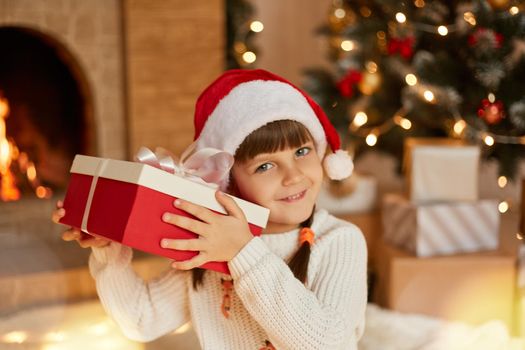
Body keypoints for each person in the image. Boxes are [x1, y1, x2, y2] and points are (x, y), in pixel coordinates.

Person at [52, 69, 368, 349]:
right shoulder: (211, 239)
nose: (294, 175)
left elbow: (326, 344)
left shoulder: (340, 240)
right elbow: (141, 319)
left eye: (302, 151)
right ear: (231, 182)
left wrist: (244, 252)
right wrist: (110, 252)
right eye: (266, 165)